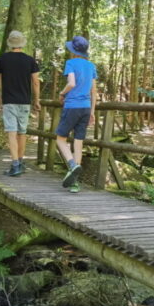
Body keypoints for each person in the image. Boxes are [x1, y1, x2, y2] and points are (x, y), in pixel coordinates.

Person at [0, 30, 40, 177]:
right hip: (25, 102)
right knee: (22, 133)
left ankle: (15, 165)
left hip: (9, 102)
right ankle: (20, 162)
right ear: (22, 43)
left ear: (10, 44)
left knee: (12, 133)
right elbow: (36, 82)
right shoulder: (30, 60)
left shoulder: (2, 59)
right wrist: (36, 100)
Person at [55, 35, 97, 193]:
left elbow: (71, 83)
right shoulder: (91, 66)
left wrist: (62, 93)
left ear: (73, 50)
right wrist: (92, 112)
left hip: (72, 106)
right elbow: (94, 91)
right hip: (86, 108)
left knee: (60, 139)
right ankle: (74, 183)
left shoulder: (71, 63)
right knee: (78, 143)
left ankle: (73, 165)